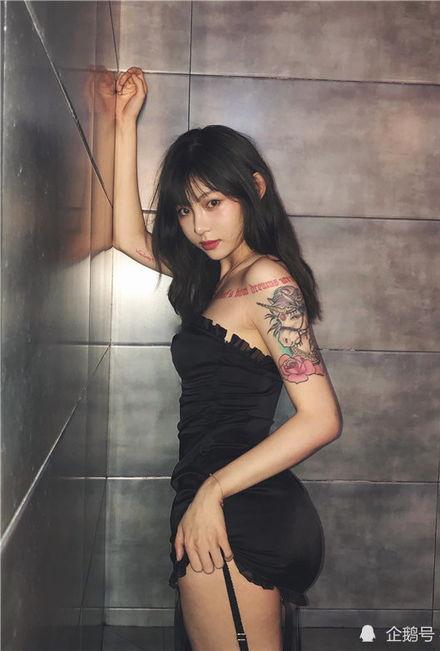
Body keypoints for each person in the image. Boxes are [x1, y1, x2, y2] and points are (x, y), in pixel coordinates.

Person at [114, 66, 343, 651]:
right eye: (185, 210)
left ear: (255, 189)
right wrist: (124, 122)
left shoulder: (266, 281)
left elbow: (321, 419)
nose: (199, 225)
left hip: (236, 509)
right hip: (221, 497)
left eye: (213, 202)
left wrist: (212, 493)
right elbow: (126, 237)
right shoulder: (216, 277)